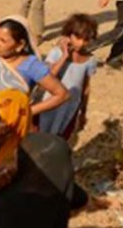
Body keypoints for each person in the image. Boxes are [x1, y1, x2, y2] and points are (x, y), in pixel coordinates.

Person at [0, 16, 69, 116]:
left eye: (3, 40)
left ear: (20, 45)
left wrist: (26, 113)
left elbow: (62, 94)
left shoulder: (31, 66)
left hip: (9, 127)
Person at [37, 13, 97, 141]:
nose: (81, 43)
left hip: (69, 108)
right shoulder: (56, 53)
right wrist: (64, 57)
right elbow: (48, 76)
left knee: (58, 140)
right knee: (38, 137)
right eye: (78, 37)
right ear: (69, 35)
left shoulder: (90, 60)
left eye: (86, 39)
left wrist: (83, 112)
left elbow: (85, 87)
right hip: (48, 103)